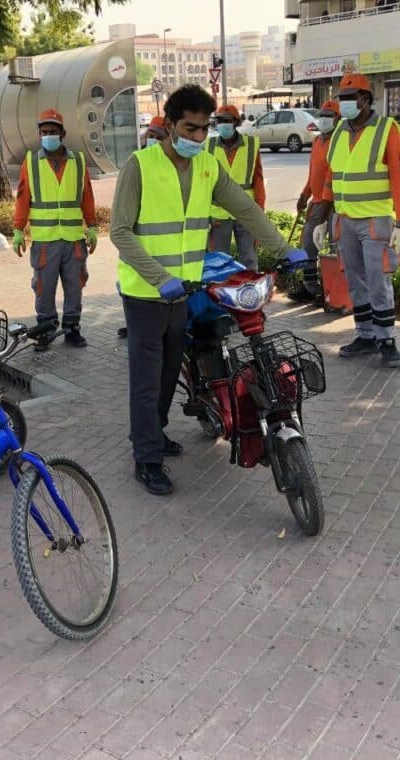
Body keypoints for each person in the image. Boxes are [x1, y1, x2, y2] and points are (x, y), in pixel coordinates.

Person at [110, 84, 307, 495]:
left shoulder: (207, 166)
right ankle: (146, 458)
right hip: (146, 294)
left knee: (169, 373)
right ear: (167, 125)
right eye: (190, 128)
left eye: (205, 129)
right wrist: (157, 278)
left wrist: (283, 248)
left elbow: (245, 208)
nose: (199, 137)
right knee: (147, 379)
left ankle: (155, 432)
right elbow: (120, 231)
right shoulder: (139, 165)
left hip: (183, 291)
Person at [313, 71, 400, 367]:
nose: (343, 104)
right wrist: (321, 218)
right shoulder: (339, 133)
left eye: (349, 98)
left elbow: (399, 176)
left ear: (365, 100)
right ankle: (365, 335)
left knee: (378, 281)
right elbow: (332, 179)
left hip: (375, 221)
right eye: (341, 99)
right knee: (355, 281)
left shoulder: (386, 129)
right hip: (345, 221)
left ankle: (387, 339)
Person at [13, 109, 98, 350]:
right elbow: (22, 198)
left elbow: (87, 197)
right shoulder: (30, 162)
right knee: (44, 289)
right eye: (44, 132)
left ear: (63, 133)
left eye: (52, 132)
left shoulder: (79, 162)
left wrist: (92, 227)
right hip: (45, 241)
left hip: (74, 240)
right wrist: (18, 229)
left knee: (75, 286)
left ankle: (72, 329)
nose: (48, 136)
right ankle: (46, 331)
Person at [118, 116, 169, 340]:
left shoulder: (174, 167)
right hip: (137, 242)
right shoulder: (135, 163)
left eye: (160, 137)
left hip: (165, 245)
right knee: (133, 289)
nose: (154, 140)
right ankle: (133, 327)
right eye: (151, 136)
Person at [290, 99, 340, 304]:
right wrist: (305, 194)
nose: (324, 119)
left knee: (334, 248)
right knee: (308, 243)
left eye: (329, 116)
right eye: (322, 115)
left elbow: (331, 174)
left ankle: (333, 291)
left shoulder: (340, 141)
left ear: (337, 119)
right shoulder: (318, 142)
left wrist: (325, 204)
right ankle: (311, 287)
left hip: (335, 203)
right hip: (317, 201)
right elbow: (314, 173)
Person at [205, 104, 265, 270]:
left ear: (236, 122)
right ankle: (219, 293)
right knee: (218, 260)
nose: (223, 124)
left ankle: (251, 292)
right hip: (218, 213)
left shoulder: (251, 145)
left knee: (249, 258)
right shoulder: (207, 146)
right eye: (220, 120)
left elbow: (258, 181)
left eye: (227, 120)